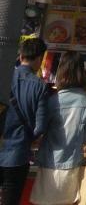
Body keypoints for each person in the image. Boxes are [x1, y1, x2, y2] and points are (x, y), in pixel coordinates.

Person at [31, 55, 86, 205]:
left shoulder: (52, 100)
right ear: (82, 72)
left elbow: (39, 129)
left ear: (61, 72)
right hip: (72, 165)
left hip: (49, 162)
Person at [0, 38, 50, 205]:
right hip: (17, 156)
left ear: (21, 56)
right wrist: (28, 138)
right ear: (39, 59)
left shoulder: (4, 79)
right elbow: (40, 126)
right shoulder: (40, 86)